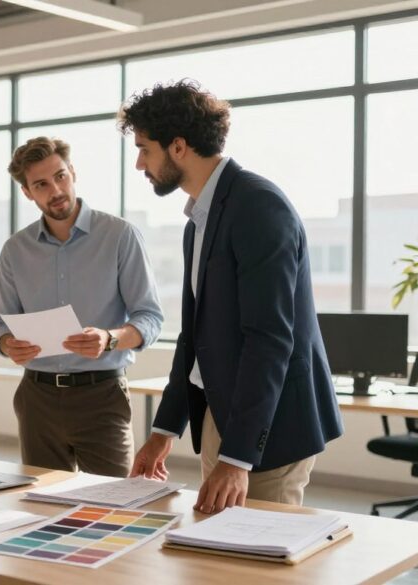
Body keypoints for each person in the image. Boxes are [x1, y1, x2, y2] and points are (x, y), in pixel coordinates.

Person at [118, 80, 344, 512]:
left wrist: (238, 457)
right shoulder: (198, 222)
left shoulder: (258, 207)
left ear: (178, 147)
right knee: (216, 558)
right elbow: (195, 338)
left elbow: (270, 338)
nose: (138, 164)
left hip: (271, 426)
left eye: (145, 148)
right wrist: (164, 430)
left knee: (261, 567)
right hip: (223, 415)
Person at [0, 136, 164, 478]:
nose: (55, 190)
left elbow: (150, 317)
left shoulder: (119, 235)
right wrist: (8, 344)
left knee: (114, 505)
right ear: (27, 192)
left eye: (60, 176)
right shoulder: (15, 250)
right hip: (36, 398)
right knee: (40, 506)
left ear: (73, 172)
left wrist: (109, 338)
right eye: (41, 184)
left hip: (102, 396)